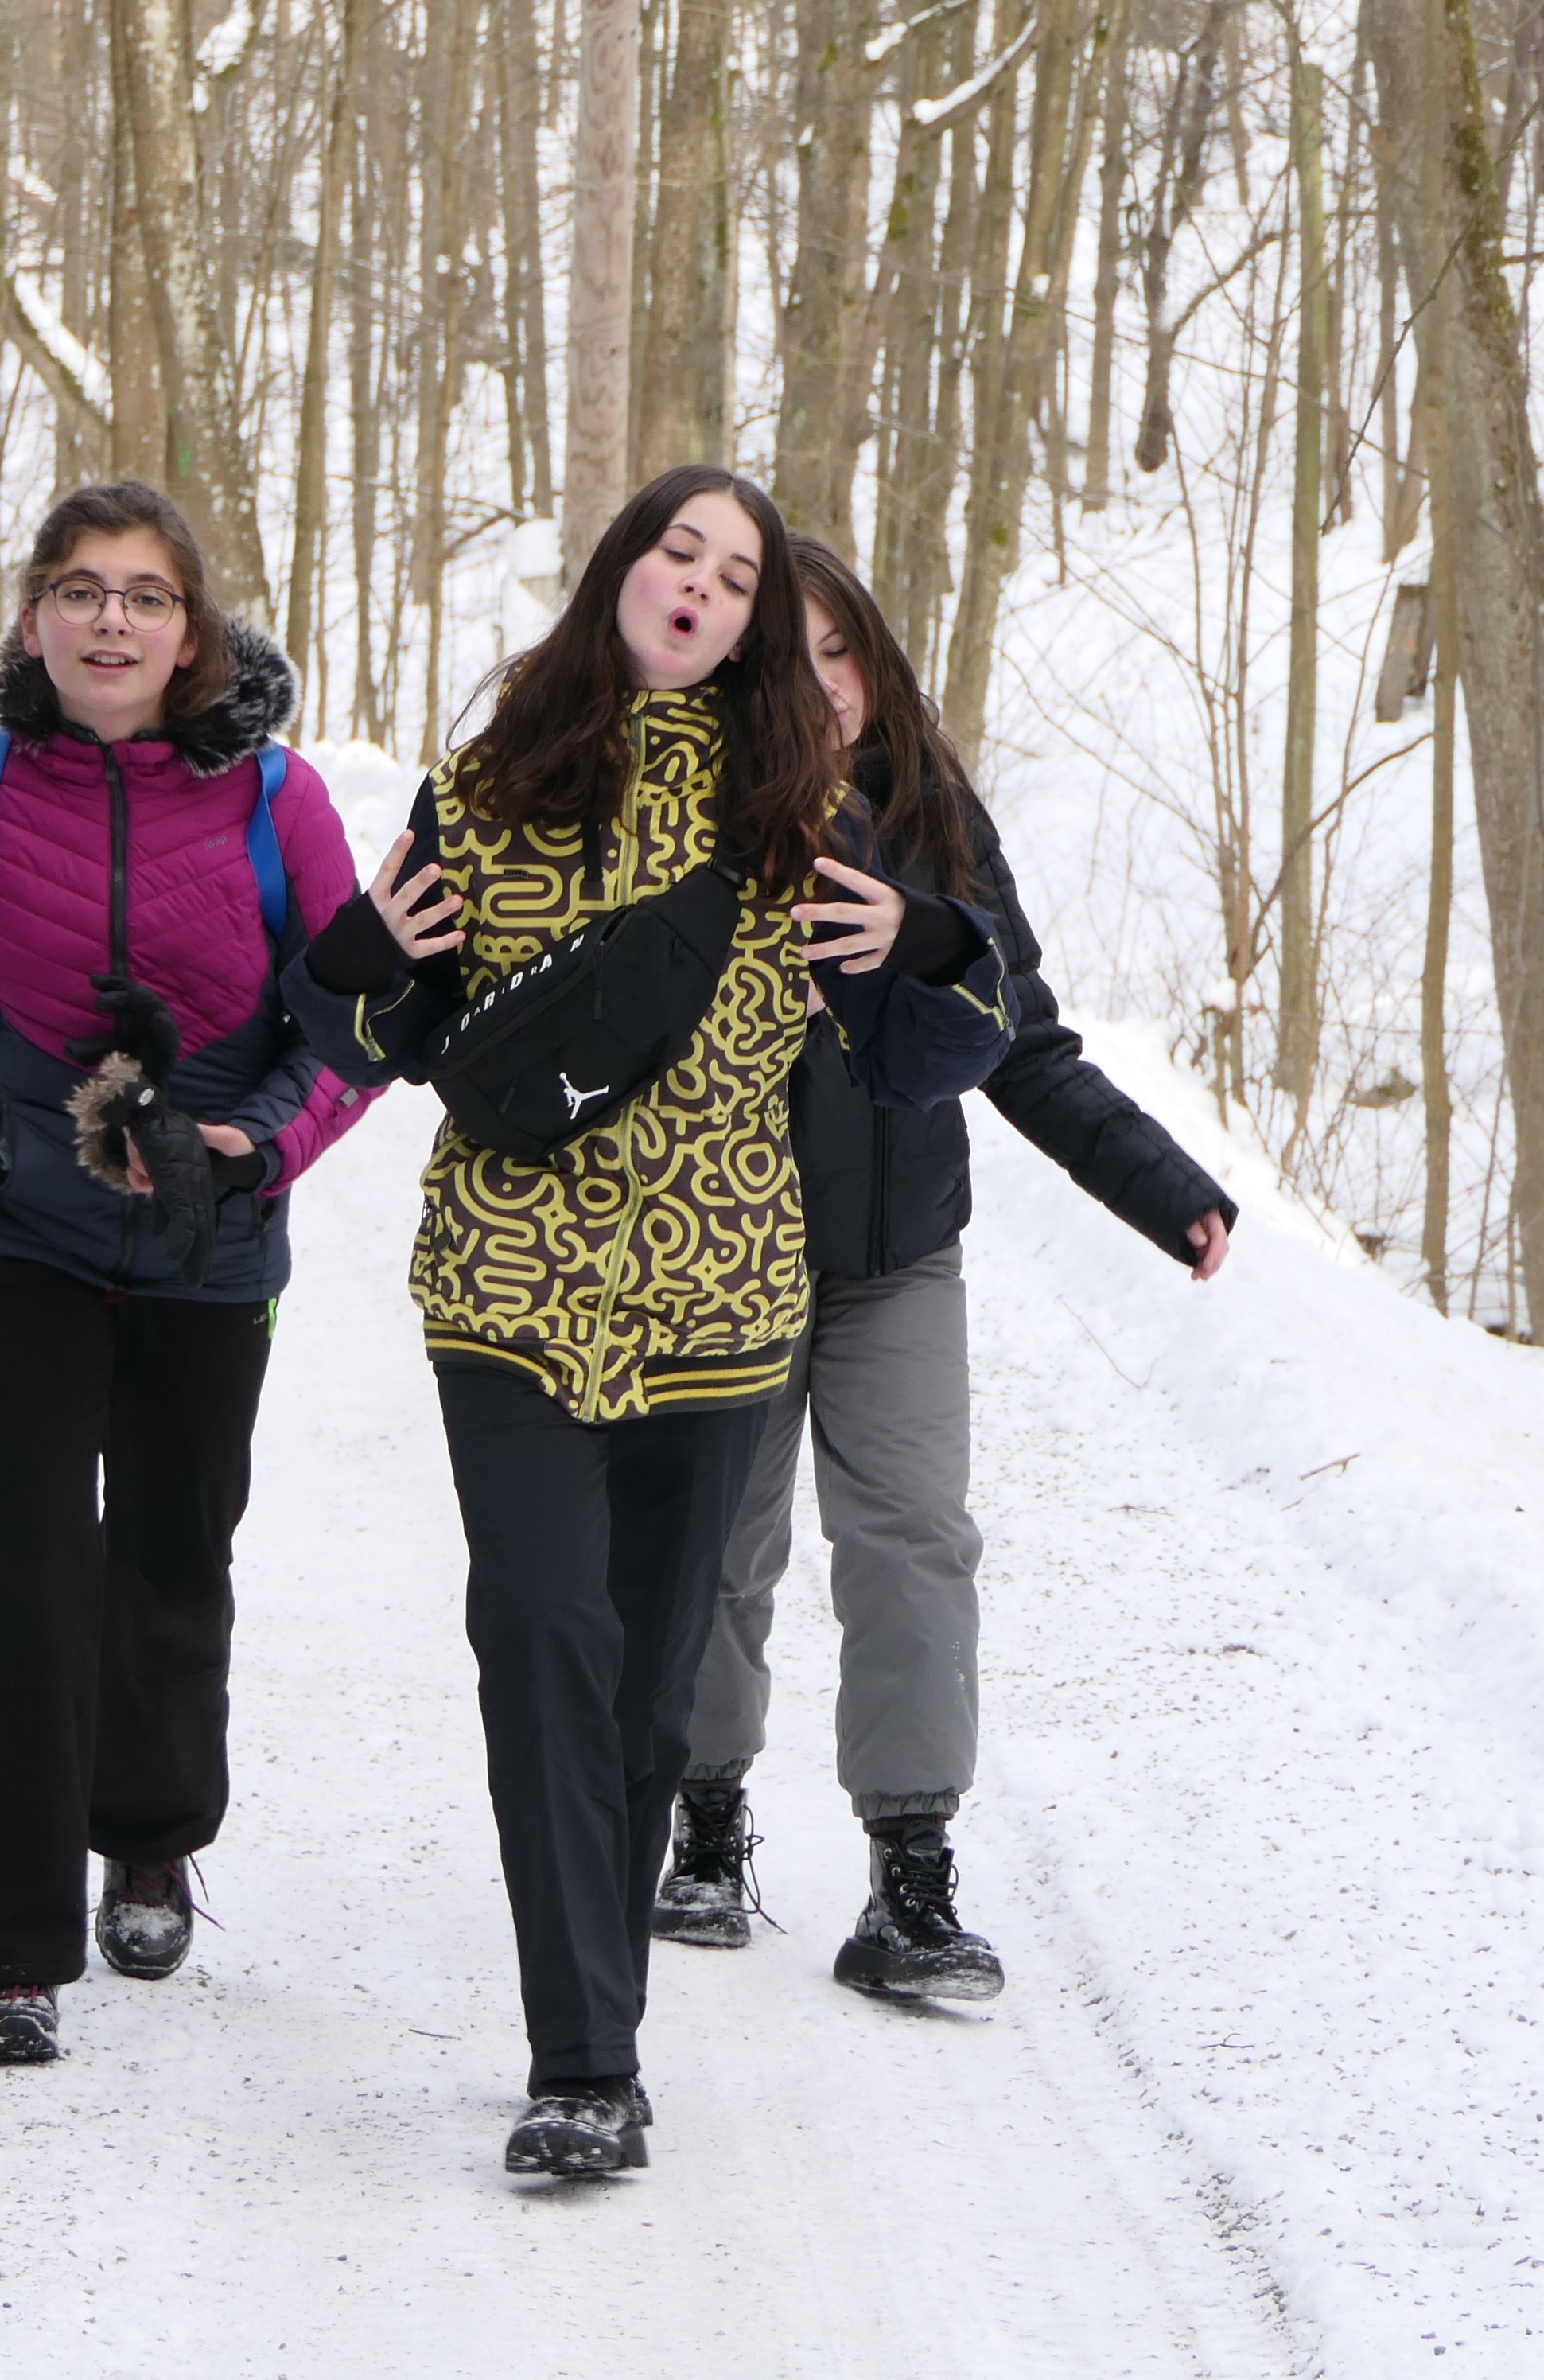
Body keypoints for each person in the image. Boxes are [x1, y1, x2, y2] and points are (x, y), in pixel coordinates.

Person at [287, 465, 1009, 2181]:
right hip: (507, 1291)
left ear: (753, 626)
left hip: (719, 1305)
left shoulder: (802, 821)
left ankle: (593, 2035)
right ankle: (584, 2062)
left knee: (642, 1685)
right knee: (540, 1636)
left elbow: (946, 1047)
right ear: (622, 569)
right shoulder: (487, 790)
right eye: (678, 550)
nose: (699, 582)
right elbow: (373, 1039)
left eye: (736, 573)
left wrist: (926, 941)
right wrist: (362, 951)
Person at [0, 481, 371, 2067]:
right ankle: (7, 1948)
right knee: (29, 1571)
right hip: (19, 1240)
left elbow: (353, 1028)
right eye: (80, 589)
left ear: (191, 633)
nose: (111, 620)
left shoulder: (277, 802)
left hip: (211, 1242)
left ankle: (153, 1832)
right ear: (34, 616)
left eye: (145, 595)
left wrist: (252, 1148)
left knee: (174, 1559)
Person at [652, 538, 1236, 1996]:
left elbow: (1018, 1034)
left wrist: (1160, 1185)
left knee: (914, 1538)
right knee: (719, 1544)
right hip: (716, 1247)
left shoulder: (928, 810)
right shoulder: (672, 810)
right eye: (785, 661)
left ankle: (908, 1875)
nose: (822, 686)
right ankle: (702, 1823)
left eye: (839, 651)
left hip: (894, 1251)